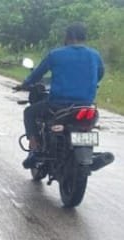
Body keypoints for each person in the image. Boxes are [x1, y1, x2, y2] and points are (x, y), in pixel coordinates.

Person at [16, 23, 104, 169]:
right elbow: (100, 74)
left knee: (29, 112)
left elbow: (37, 74)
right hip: (85, 105)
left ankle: (34, 147)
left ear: (68, 36)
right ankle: (88, 156)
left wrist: (24, 84)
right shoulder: (94, 55)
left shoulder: (56, 54)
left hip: (58, 104)